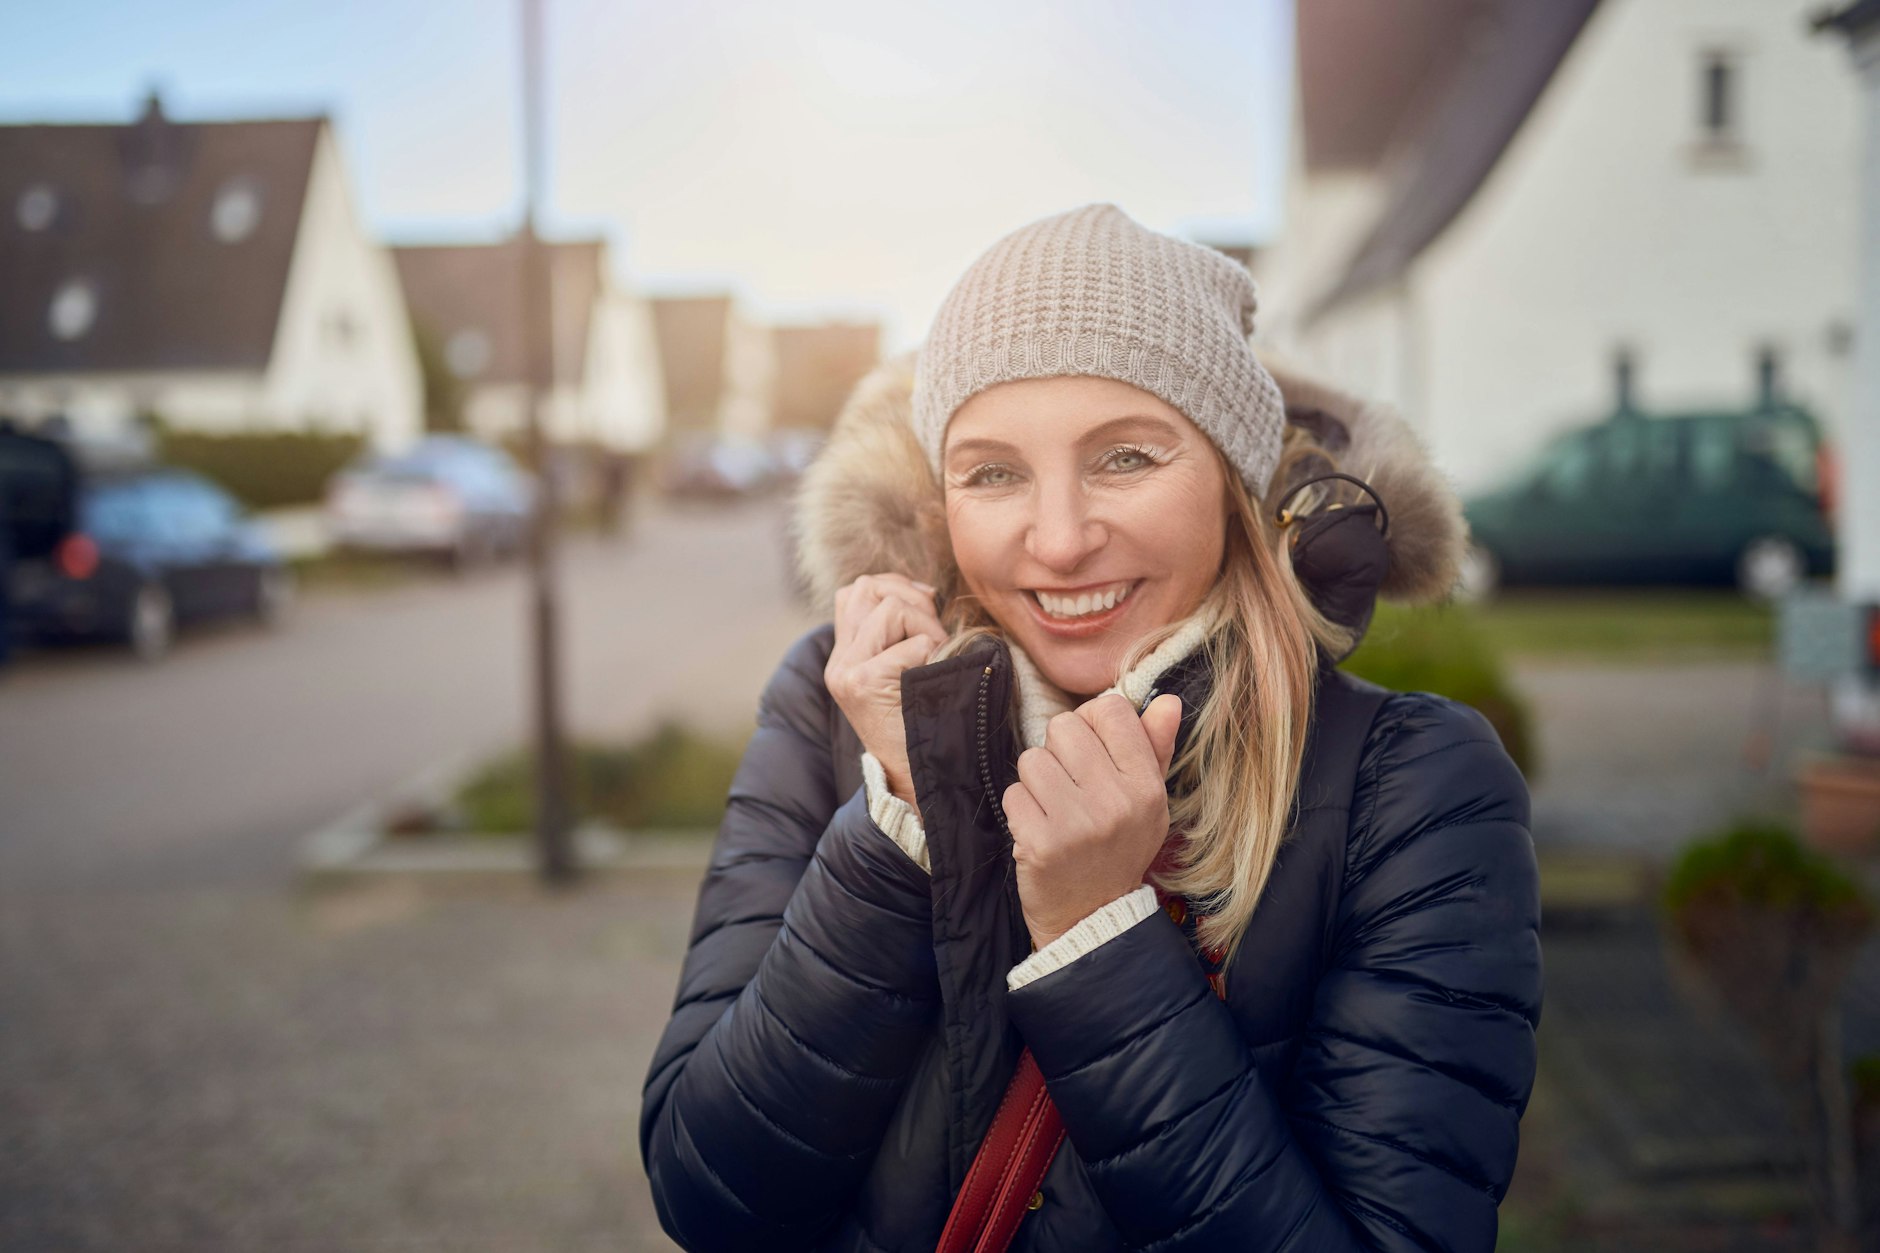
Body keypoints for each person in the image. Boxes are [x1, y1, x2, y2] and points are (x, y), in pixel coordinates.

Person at [640, 204, 1542, 1252]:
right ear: (937, 500)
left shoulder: (1414, 784)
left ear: (1234, 483)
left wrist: (1099, 937)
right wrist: (896, 829)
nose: (1059, 540)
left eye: (1125, 457)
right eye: (991, 471)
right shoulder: (832, 706)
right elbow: (709, 1196)